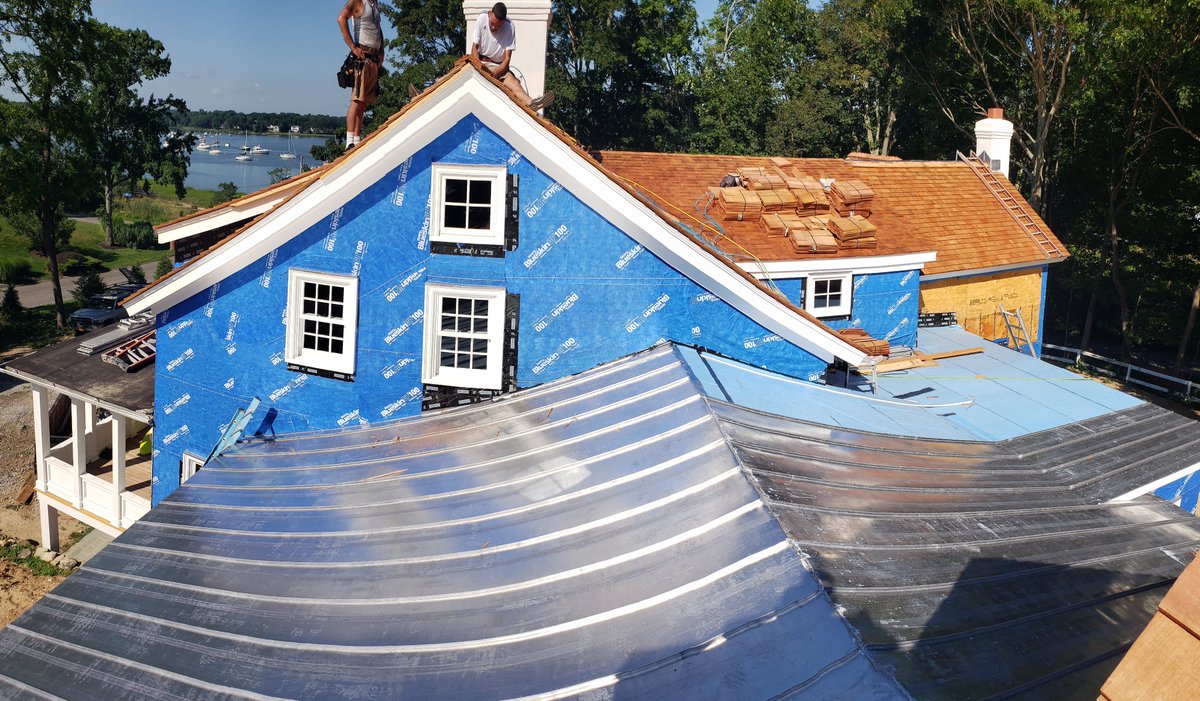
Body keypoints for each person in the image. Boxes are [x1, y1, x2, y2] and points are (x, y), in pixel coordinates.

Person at [470, 3, 554, 112]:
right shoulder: (482, 19)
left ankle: (532, 103)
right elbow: (474, 49)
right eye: (492, 24)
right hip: (481, 62)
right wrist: (479, 67)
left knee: (515, 84)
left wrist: (496, 73)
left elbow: (507, 59)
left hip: (500, 67)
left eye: (498, 26)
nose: (494, 28)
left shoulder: (509, 26)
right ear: (490, 13)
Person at [338, 0, 384, 150]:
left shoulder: (374, 4)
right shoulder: (358, 2)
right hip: (362, 58)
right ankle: (350, 141)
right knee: (357, 100)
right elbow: (341, 18)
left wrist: (381, 50)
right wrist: (352, 46)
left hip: (373, 59)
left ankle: (357, 140)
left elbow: (378, 28)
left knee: (363, 102)